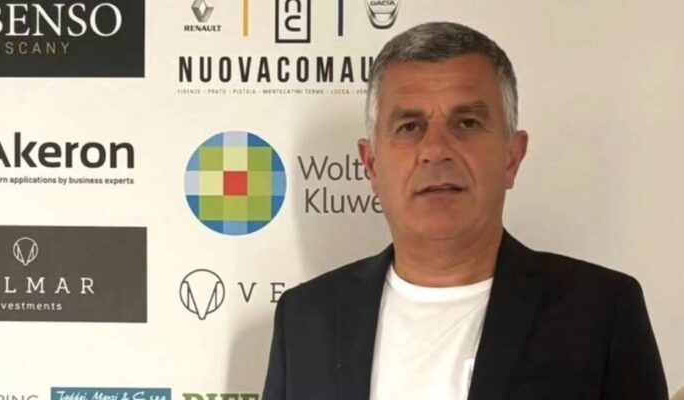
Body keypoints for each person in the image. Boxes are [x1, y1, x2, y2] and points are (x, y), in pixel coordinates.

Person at [262, 21, 668, 400]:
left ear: (512, 157)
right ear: (371, 165)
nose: (436, 149)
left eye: (467, 123)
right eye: (409, 126)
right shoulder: (304, 319)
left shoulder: (601, 313)